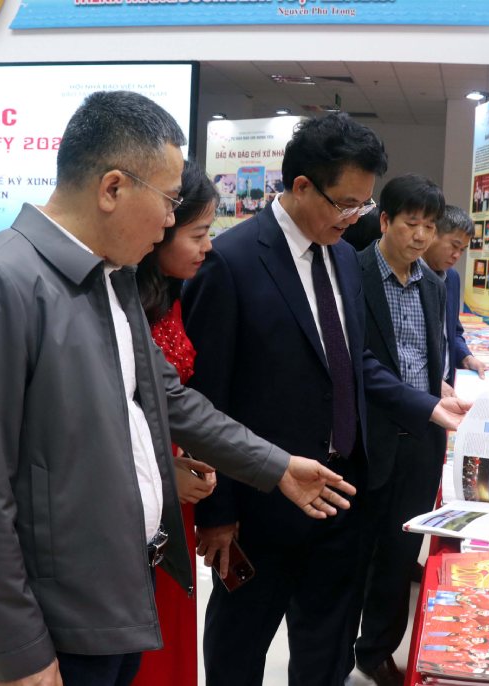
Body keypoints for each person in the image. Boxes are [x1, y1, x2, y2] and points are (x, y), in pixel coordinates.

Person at [0, 91, 356, 686]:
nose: (170, 221)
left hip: (119, 593)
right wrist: (17, 651)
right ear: (112, 188)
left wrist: (275, 466)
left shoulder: (113, 277)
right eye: (170, 200)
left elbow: (168, 398)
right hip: (55, 620)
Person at [181, 113, 470, 686]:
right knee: (239, 649)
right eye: (345, 203)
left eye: (362, 206)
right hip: (263, 503)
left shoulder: (342, 256)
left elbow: (353, 360)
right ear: (302, 186)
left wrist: (423, 404)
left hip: (342, 496)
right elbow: (205, 399)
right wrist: (217, 514)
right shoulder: (232, 261)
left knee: (325, 654)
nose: (354, 218)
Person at [353, 174, 448, 686]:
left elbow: (427, 359)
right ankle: (332, 649)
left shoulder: (435, 284)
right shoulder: (353, 272)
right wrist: (425, 405)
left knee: (398, 557)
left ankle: (375, 652)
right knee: (353, 553)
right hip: (367, 441)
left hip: (422, 443)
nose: (420, 237)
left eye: (429, 227)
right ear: (385, 220)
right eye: (411, 223)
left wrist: (443, 391)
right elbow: (360, 363)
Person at [133, 159, 219, 686]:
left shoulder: (176, 294)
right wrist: (168, 470)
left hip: (176, 485)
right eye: (198, 233)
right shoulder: (124, 301)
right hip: (141, 488)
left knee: (171, 618)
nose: (208, 246)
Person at [423, 205, 487, 384]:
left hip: (448, 383)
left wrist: (466, 356)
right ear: (433, 233)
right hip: (419, 388)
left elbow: (452, 331)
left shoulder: (452, 277)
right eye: (454, 246)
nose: (457, 255)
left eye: (463, 250)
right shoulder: (411, 275)